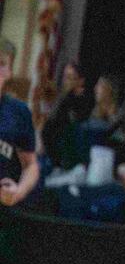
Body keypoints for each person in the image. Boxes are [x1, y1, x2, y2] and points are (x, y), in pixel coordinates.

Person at [0, 38, 39, 213]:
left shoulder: (19, 111)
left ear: (9, 72)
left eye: (2, 64)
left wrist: (18, 192)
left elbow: (31, 165)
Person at [40, 59, 90, 170]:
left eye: (69, 77)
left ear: (80, 81)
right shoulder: (64, 96)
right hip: (49, 154)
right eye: (64, 76)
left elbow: (69, 129)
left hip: (60, 160)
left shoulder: (80, 102)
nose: (65, 81)